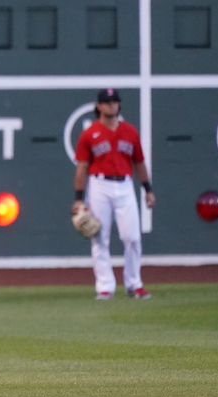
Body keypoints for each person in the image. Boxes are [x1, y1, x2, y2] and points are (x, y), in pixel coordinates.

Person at [72, 88, 156, 301]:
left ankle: (134, 284)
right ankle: (105, 287)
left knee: (133, 237)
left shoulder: (130, 132)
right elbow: (82, 166)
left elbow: (139, 162)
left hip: (125, 185)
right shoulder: (89, 134)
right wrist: (79, 198)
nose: (112, 105)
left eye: (115, 101)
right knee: (100, 239)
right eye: (108, 102)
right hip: (100, 185)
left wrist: (148, 189)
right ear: (99, 106)